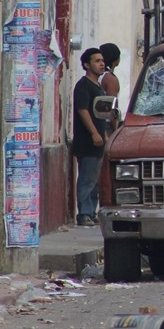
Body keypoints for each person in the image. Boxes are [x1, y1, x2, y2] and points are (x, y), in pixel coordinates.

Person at [71, 48, 107, 226]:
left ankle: (91, 211)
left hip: (99, 140)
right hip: (88, 140)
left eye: (102, 61)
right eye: (97, 61)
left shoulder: (98, 86)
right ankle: (84, 213)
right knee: (87, 178)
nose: (101, 64)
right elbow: (82, 110)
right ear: (86, 65)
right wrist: (94, 133)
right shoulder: (84, 86)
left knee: (95, 179)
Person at [99, 43, 122, 130]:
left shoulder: (99, 75)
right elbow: (112, 106)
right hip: (107, 125)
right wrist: (115, 128)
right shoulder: (110, 79)